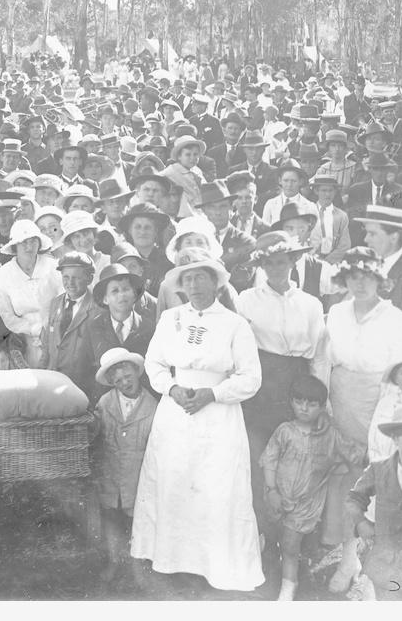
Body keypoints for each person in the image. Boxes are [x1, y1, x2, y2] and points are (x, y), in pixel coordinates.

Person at [131, 248, 264, 592]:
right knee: (175, 480)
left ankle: (216, 566)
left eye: (201, 277)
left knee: (215, 486)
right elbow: (154, 364)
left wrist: (213, 394)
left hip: (217, 414)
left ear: (216, 283)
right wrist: (172, 389)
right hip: (175, 411)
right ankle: (172, 560)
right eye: (188, 278)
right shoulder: (170, 318)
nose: (195, 284)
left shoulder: (235, 324)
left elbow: (250, 378)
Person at [314, 246, 402, 592]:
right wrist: (327, 406)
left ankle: (381, 568)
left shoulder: (396, 319)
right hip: (340, 405)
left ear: (379, 279)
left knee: (377, 486)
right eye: (353, 276)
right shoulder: (336, 313)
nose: (360, 283)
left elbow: (401, 378)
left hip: (379, 408)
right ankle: (347, 560)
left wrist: (384, 426)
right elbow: (324, 362)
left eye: (367, 276)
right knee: (345, 485)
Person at [237, 231, 326, 515]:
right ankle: (262, 528)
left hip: (297, 383)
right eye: (269, 264)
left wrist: (320, 401)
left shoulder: (310, 304)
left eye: (281, 262)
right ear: (261, 267)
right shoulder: (247, 300)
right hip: (262, 384)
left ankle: (294, 529)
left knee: (296, 454)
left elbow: (319, 356)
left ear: (293, 261)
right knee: (260, 455)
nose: (276, 269)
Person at [259, 375, 363, 601]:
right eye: (298, 401)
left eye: (312, 404)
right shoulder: (285, 431)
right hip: (278, 496)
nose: (304, 408)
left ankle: (289, 587)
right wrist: (271, 491)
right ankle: (289, 571)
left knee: (289, 544)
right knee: (279, 536)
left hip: (306, 505)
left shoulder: (331, 435)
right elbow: (269, 460)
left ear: (323, 406)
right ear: (291, 401)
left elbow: (354, 454)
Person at [346, 400, 402, 600]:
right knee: (390, 602)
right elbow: (354, 498)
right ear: (395, 438)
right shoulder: (379, 470)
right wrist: (361, 522)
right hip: (387, 562)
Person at [94, 348, 157, 585]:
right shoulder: (105, 402)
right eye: (118, 380)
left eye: (128, 377)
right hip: (110, 473)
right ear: (111, 382)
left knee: (135, 521)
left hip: (137, 476)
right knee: (110, 516)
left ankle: (136, 567)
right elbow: (96, 435)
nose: (124, 383)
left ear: (137, 372)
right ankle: (113, 562)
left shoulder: (152, 406)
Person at [0, 219, 61, 367]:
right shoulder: (2, 276)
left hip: (57, 332)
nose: (29, 247)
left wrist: (49, 330)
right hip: (23, 337)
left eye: (33, 241)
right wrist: (34, 330)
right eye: (23, 242)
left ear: (39, 243)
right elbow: (7, 316)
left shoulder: (54, 267)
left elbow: (64, 302)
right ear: (15, 246)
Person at [354, 204, 402, 341]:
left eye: (372, 233)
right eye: (366, 233)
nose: (365, 239)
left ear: (394, 237)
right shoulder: (369, 266)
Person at [40, 251, 99, 399]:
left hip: (82, 388)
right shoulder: (55, 303)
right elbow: (47, 345)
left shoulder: (97, 309)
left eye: (76, 278)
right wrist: (40, 374)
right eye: (66, 277)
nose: (70, 283)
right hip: (52, 383)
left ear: (89, 279)